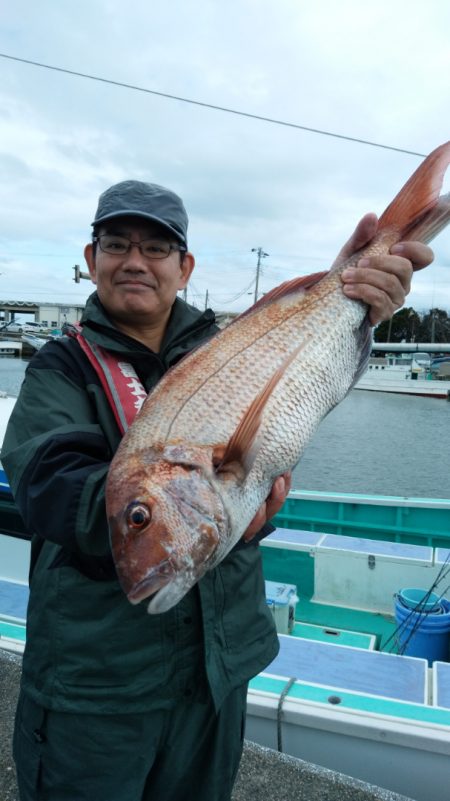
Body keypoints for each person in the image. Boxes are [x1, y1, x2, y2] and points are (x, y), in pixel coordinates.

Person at [2, 179, 433, 801]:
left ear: (185, 267)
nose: (134, 261)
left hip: (218, 673)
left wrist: (355, 307)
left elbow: (306, 402)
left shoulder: (224, 345)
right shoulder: (60, 368)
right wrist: (182, 512)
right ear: (91, 260)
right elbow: (50, 487)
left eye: (156, 249)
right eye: (116, 244)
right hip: (95, 686)